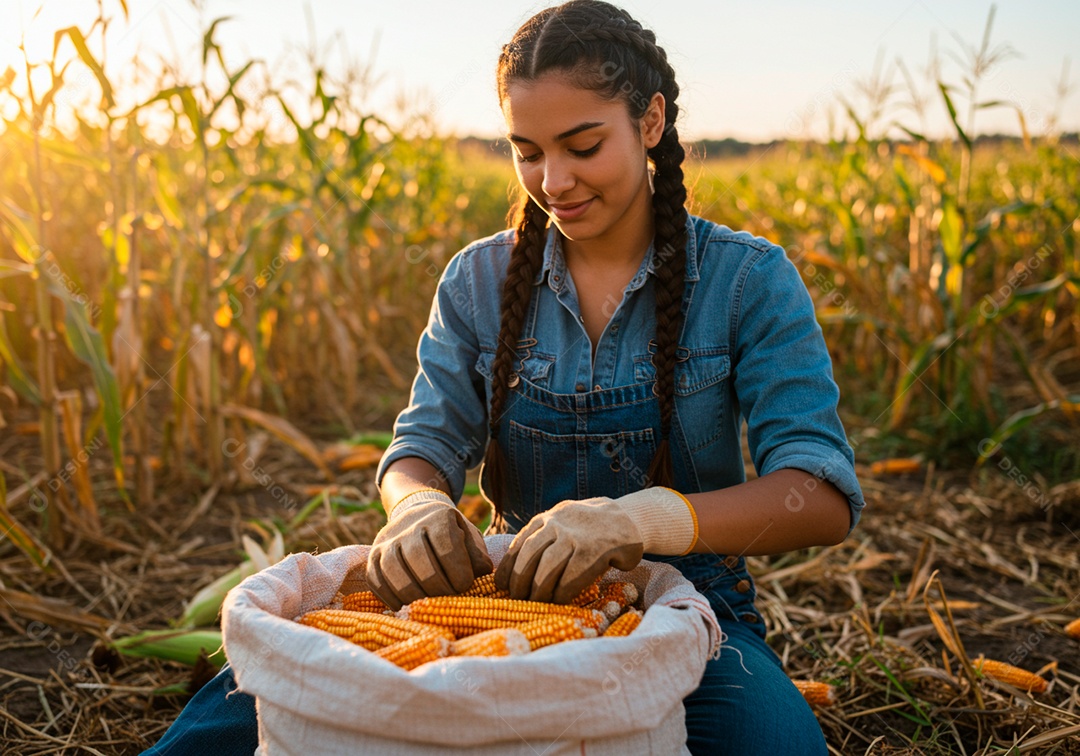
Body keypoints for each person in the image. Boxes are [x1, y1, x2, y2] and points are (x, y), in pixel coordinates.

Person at [142, 2, 864, 754]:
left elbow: (818, 496)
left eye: (583, 145)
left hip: (679, 608)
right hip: (488, 599)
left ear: (650, 122)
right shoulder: (476, 281)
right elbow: (420, 447)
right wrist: (416, 506)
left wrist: (636, 522)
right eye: (527, 151)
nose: (553, 182)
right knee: (223, 725)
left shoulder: (748, 281)